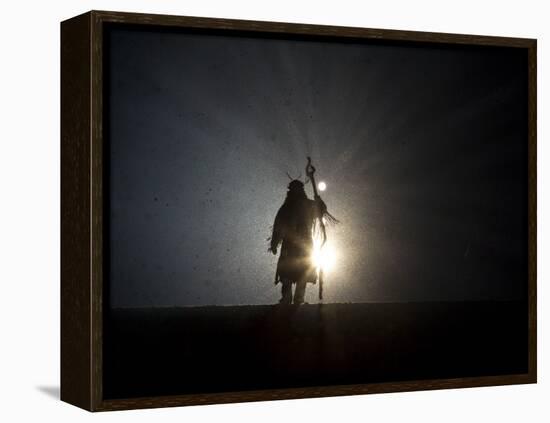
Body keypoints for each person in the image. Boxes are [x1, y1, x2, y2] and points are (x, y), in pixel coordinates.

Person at [268, 160, 337, 304]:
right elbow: (278, 225)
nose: (296, 191)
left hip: (305, 243)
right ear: (291, 191)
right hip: (291, 243)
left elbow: (321, 210)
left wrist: (319, 200)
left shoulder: (308, 205)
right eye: (294, 189)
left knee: (303, 270)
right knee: (287, 270)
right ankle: (287, 298)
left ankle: (298, 298)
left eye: (298, 189)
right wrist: (274, 243)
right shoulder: (286, 208)